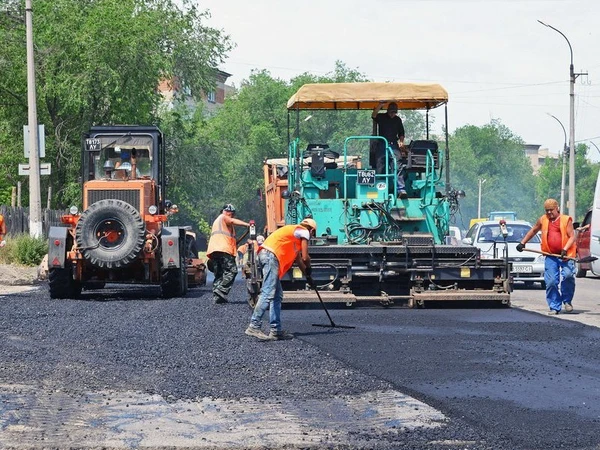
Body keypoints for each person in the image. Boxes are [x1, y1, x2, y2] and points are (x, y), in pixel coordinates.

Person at [245, 219, 316, 341]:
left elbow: (299, 260)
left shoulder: (293, 237)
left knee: (277, 295)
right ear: (312, 230)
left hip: (266, 255)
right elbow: (305, 258)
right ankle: (254, 325)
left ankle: (276, 331)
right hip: (270, 256)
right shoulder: (304, 231)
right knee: (268, 292)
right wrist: (309, 268)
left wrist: (308, 277)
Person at [516, 198, 576, 314]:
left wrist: (565, 249)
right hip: (550, 255)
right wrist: (523, 242)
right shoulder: (543, 220)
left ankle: (567, 301)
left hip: (566, 255)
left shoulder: (565, 220)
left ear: (557, 208)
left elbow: (572, 236)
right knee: (551, 282)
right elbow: (533, 231)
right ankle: (554, 306)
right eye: (547, 210)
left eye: (551, 210)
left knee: (568, 276)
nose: (549, 213)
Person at [206, 204, 251, 304]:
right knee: (233, 271)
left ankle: (217, 297)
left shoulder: (219, 223)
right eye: (230, 213)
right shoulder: (223, 218)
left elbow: (234, 242)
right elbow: (232, 221)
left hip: (214, 251)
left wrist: (246, 233)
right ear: (225, 212)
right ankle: (221, 290)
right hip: (224, 250)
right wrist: (248, 225)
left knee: (219, 274)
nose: (231, 215)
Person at [372, 101, 408, 198]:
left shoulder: (397, 120)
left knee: (397, 165)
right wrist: (380, 105)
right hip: (382, 144)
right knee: (380, 166)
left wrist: (401, 142)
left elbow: (401, 133)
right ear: (387, 111)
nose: (393, 114)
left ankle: (401, 190)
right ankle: (380, 190)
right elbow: (374, 115)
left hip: (393, 145)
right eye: (391, 112)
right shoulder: (381, 117)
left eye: (394, 112)